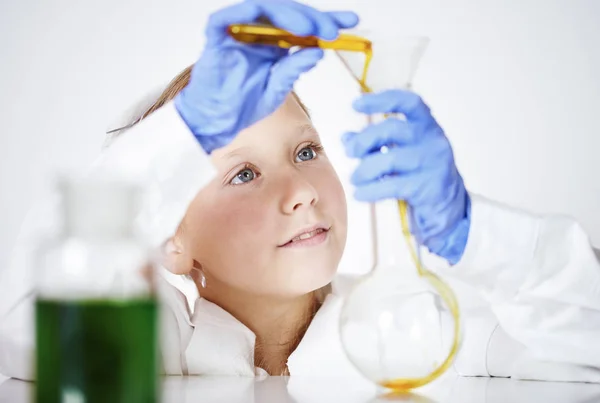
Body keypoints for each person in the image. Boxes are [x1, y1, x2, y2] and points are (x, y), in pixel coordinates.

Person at [1, 0, 600, 382]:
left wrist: (479, 236)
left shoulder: (422, 326)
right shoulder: (157, 344)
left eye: (306, 152)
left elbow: (586, 348)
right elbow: (34, 338)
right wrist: (184, 135)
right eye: (242, 173)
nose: (300, 192)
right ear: (169, 240)